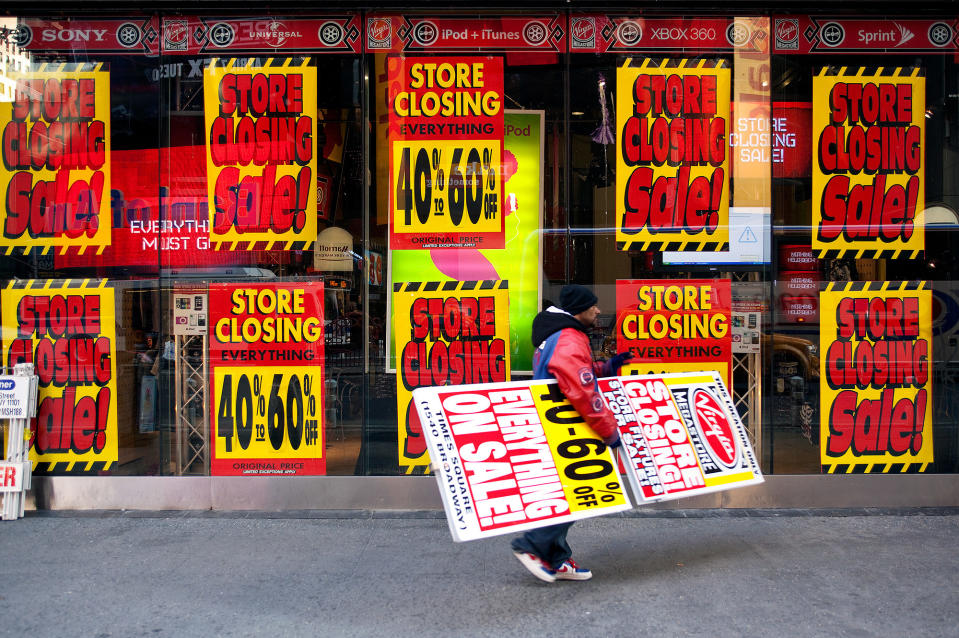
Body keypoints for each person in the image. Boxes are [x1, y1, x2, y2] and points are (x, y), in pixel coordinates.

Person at [511, 284, 632, 583]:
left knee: (569, 490)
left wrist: (606, 367)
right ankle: (532, 545)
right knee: (580, 490)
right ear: (579, 309)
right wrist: (609, 431)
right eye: (593, 306)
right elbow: (581, 390)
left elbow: (576, 372)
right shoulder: (569, 337)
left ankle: (558, 559)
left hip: (556, 424)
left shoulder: (558, 334)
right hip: (567, 427)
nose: (598, 310)